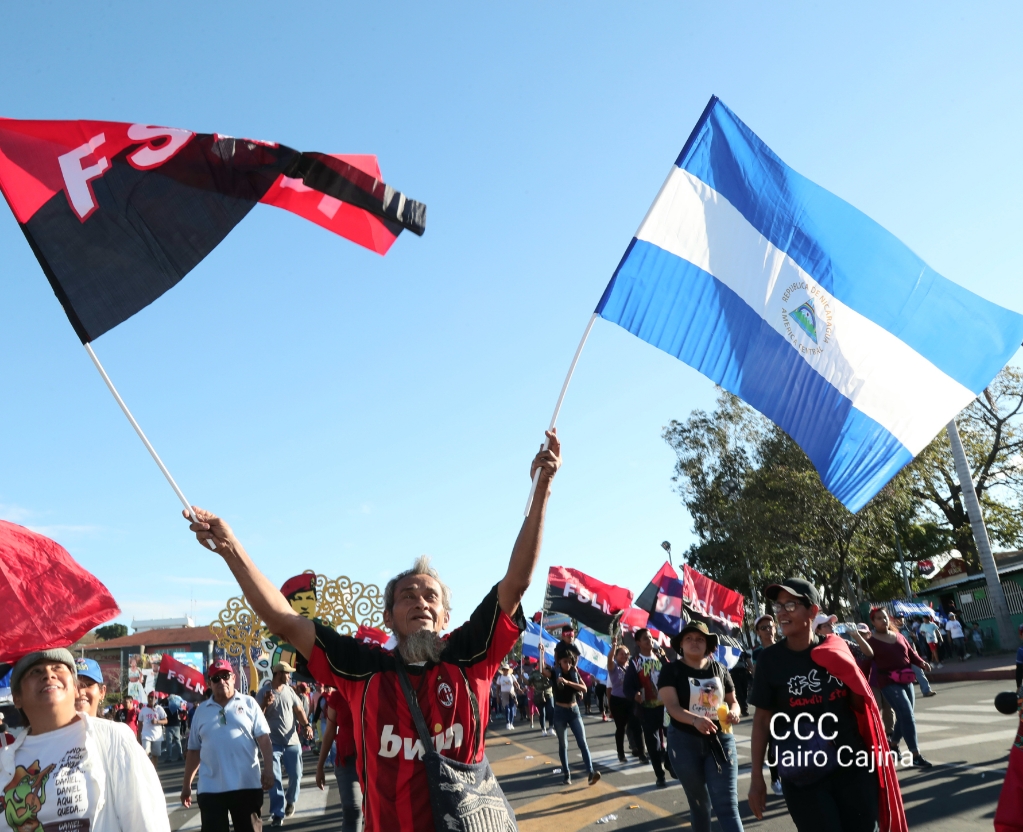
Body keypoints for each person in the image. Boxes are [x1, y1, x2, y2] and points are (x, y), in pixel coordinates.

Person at [184, 430, 561, 832]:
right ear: (388, 618)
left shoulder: (471, 655)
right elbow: (284, 620)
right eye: (407, 596)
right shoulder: (361, 667)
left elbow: (516, 583)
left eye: (431, 596)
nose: (420, 602)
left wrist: (542, 489)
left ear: (445, 617)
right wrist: (230, 548)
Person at [748, 578, 903, 832]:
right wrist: (757, 778)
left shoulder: (836, 650)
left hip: (852, 766)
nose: (782, 613)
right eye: (778, 606)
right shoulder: (769, 660)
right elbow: (762, 720)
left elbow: (858, 704)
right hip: (803, 775)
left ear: (812, 611)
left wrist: (854, 678)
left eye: (790, 605)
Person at [2, 648, 169, 831]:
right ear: (17, 698)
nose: (49, 675)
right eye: (36, 671)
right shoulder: (5, 762)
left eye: (58, 668)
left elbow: (148, 823)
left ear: (75, 688)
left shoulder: (113, 739)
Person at [659, 621, 744, 832]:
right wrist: (695, 720)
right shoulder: (671, 670)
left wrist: (735, 712)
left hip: (720, 741)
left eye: (700, 639)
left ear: (708, 645)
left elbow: (733, 701)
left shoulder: (719, 669)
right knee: (700, 805)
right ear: (681, 644)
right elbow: (672, 707)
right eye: (689, 638)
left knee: (727, 805)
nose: (694, 642)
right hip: (684, 742)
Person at [182, 660, 274, 832]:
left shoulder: (249, 703)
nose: (221, 681)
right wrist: (187, 784)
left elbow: (264, 739)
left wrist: (269, 769)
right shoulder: (201, 711)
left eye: (225, 676)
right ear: (209, 683)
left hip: (246, 785)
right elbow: (194, 751)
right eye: (216, 678)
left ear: (233, 678)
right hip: (211, 789)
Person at [867, 607, 933, 768]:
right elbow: (865, 664)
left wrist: (921, 663)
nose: (883, 620)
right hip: (888, 682)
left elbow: (911, 653)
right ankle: (915, 755)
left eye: (885, 617)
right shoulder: (871, 641)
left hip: (906, 679)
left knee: (905, 716)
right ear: (873, 622)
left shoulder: (899, 636)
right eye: (879, 618)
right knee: (907, 715)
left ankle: (893, 745)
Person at [258, 661, 314, 826]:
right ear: (279, 674)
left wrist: (307, 725)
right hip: (272, 744)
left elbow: (299, 710)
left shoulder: (289, 691)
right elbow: (257, 718)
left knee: (296, 775)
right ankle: (277, 812)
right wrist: (264, 704)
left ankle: (291, 800)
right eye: (287, 673)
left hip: (292, 742)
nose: (289, 676)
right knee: (274, 778)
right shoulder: (263, 692)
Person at [623, 628, 668, 787]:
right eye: (645, 639)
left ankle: (669, 762)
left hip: (666, 708)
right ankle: (660, 775)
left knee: (674, 737)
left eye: (650, 637)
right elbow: (627, 687)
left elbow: (671, 674)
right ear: (638, 643)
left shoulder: (660, 657)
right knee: (653, 744)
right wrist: (635, 694)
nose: (649, 640)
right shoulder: (635, 662)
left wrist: (664, 658)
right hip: (648, 710)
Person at [316, 688, 363, 832]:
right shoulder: (337, 696)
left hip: (374, 762)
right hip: (347, 761)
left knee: (377, 812)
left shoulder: (374, 690)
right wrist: (320, 767)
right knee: (352, 810)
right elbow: (329, 732)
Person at [552, 652, 600, 786]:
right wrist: (542, 652)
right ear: (559, 662)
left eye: (569, 662)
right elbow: (542, 671)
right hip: (560, 712)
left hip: (574, 711)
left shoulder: (574, 673)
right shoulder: (555, 673)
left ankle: (591, 772)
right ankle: (566, 774)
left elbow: (584, 688)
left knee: (582, 742)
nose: (567, 664)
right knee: (563, 744)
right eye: (564, 662)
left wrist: (568, 682)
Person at [749, 614, 782, 796]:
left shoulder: (784, 647)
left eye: (770, 626)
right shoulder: (758, 653)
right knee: (773, 741)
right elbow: (757, 675)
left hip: (787, 701)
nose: (768, 630)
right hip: (769, 702)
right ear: (758, 632)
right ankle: (775, 778)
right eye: (763, 628)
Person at [606, 639, 638, 763]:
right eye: (621, 654)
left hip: (630, 700)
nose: (624, 656)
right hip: (617, 701)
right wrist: (614, 645)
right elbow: (609, 659)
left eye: (626, 654)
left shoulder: (630, 667)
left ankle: (639, 751)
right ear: (616, 655)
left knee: (635, 725)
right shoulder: (613, 667)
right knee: (621, 728)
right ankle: (621, 753)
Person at [891, 614, 936, 698]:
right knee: (903, 675)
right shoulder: (893, 630)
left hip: (912, 653)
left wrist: (914, 637)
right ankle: (903, 695)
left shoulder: (908, 627)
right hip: (901, 655)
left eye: (902, 618)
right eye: (899, 618)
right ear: (895, 620)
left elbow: (915, 640)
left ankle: (926, 690)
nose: (901, 620)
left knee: (919, 672)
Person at [528, 650, 555, 735]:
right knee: (542, 713)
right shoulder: (533, 673)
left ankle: (551, 727)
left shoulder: (549, 671)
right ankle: (543, 729)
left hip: (548, 694)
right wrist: (523, 678)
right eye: (540, 662)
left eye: (543, 662)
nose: (541, 664)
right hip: (538, 694)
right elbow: (529, 683)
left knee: (551, 710)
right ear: (537, 664)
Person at [138, 691, 168, 766]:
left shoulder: (159, 709)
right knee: (145, 754)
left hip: (157, 736)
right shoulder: (143, 709)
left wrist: (157, 721)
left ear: (156, 699)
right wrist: (139, 737)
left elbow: (166, 721)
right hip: (146, 735)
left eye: (152, 697)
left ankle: (154, 770)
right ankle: (146, 769)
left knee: (155, 755)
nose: (150, 699)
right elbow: (140, 724)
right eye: (149, 697)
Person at [497, 662, 520, 730]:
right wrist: (497, 696)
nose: (505, 671)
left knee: (512, 708)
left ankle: (511, 723)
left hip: (511, 693)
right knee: (507, 708)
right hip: (504, 693)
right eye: (504, 669)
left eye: (506, 669)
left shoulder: (511, 676)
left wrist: (518, 689)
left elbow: (516, 684)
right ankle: (507, 722)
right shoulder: (500, 677)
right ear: (502, 670)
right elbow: (498, 687)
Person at [162, 698, 184, 762]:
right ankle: (180, 755)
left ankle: (169, 757)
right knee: (178, 741)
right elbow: (183, 711)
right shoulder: (176, 708)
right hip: (176, 725)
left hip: (169, 726)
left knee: (169, 742)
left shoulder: (164, 708)